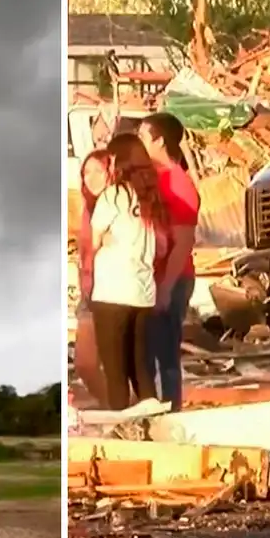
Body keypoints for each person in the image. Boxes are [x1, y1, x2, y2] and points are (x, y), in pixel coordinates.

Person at [88, 134, 169, 410]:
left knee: (115, 373)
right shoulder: (151, 197)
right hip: (143, 294)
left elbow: (94, 240)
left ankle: (120, 431)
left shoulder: (113, 195)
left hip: (112, 292)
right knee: (141, 369)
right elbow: (161, 246)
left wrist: (106, 241)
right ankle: (154, 422)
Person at [137, 112, 200, 412]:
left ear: (159, 140)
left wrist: (165, 286)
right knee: (146, 352)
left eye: (142, 137)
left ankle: (171, 412)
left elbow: (183, 242)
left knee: (165, 354)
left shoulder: (178, 183)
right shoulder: (151, 177)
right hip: (151, 277)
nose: (138, 143)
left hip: (172, 278)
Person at [73, 148, 111, 409]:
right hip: (90, 295)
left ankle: (120, 412)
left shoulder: (119, 205)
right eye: (87, 171)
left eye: (99, 170)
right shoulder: (87, 208)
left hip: (115, 294)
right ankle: (112, 407)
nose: (91, 177)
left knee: (115, 364)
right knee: (85, 364)